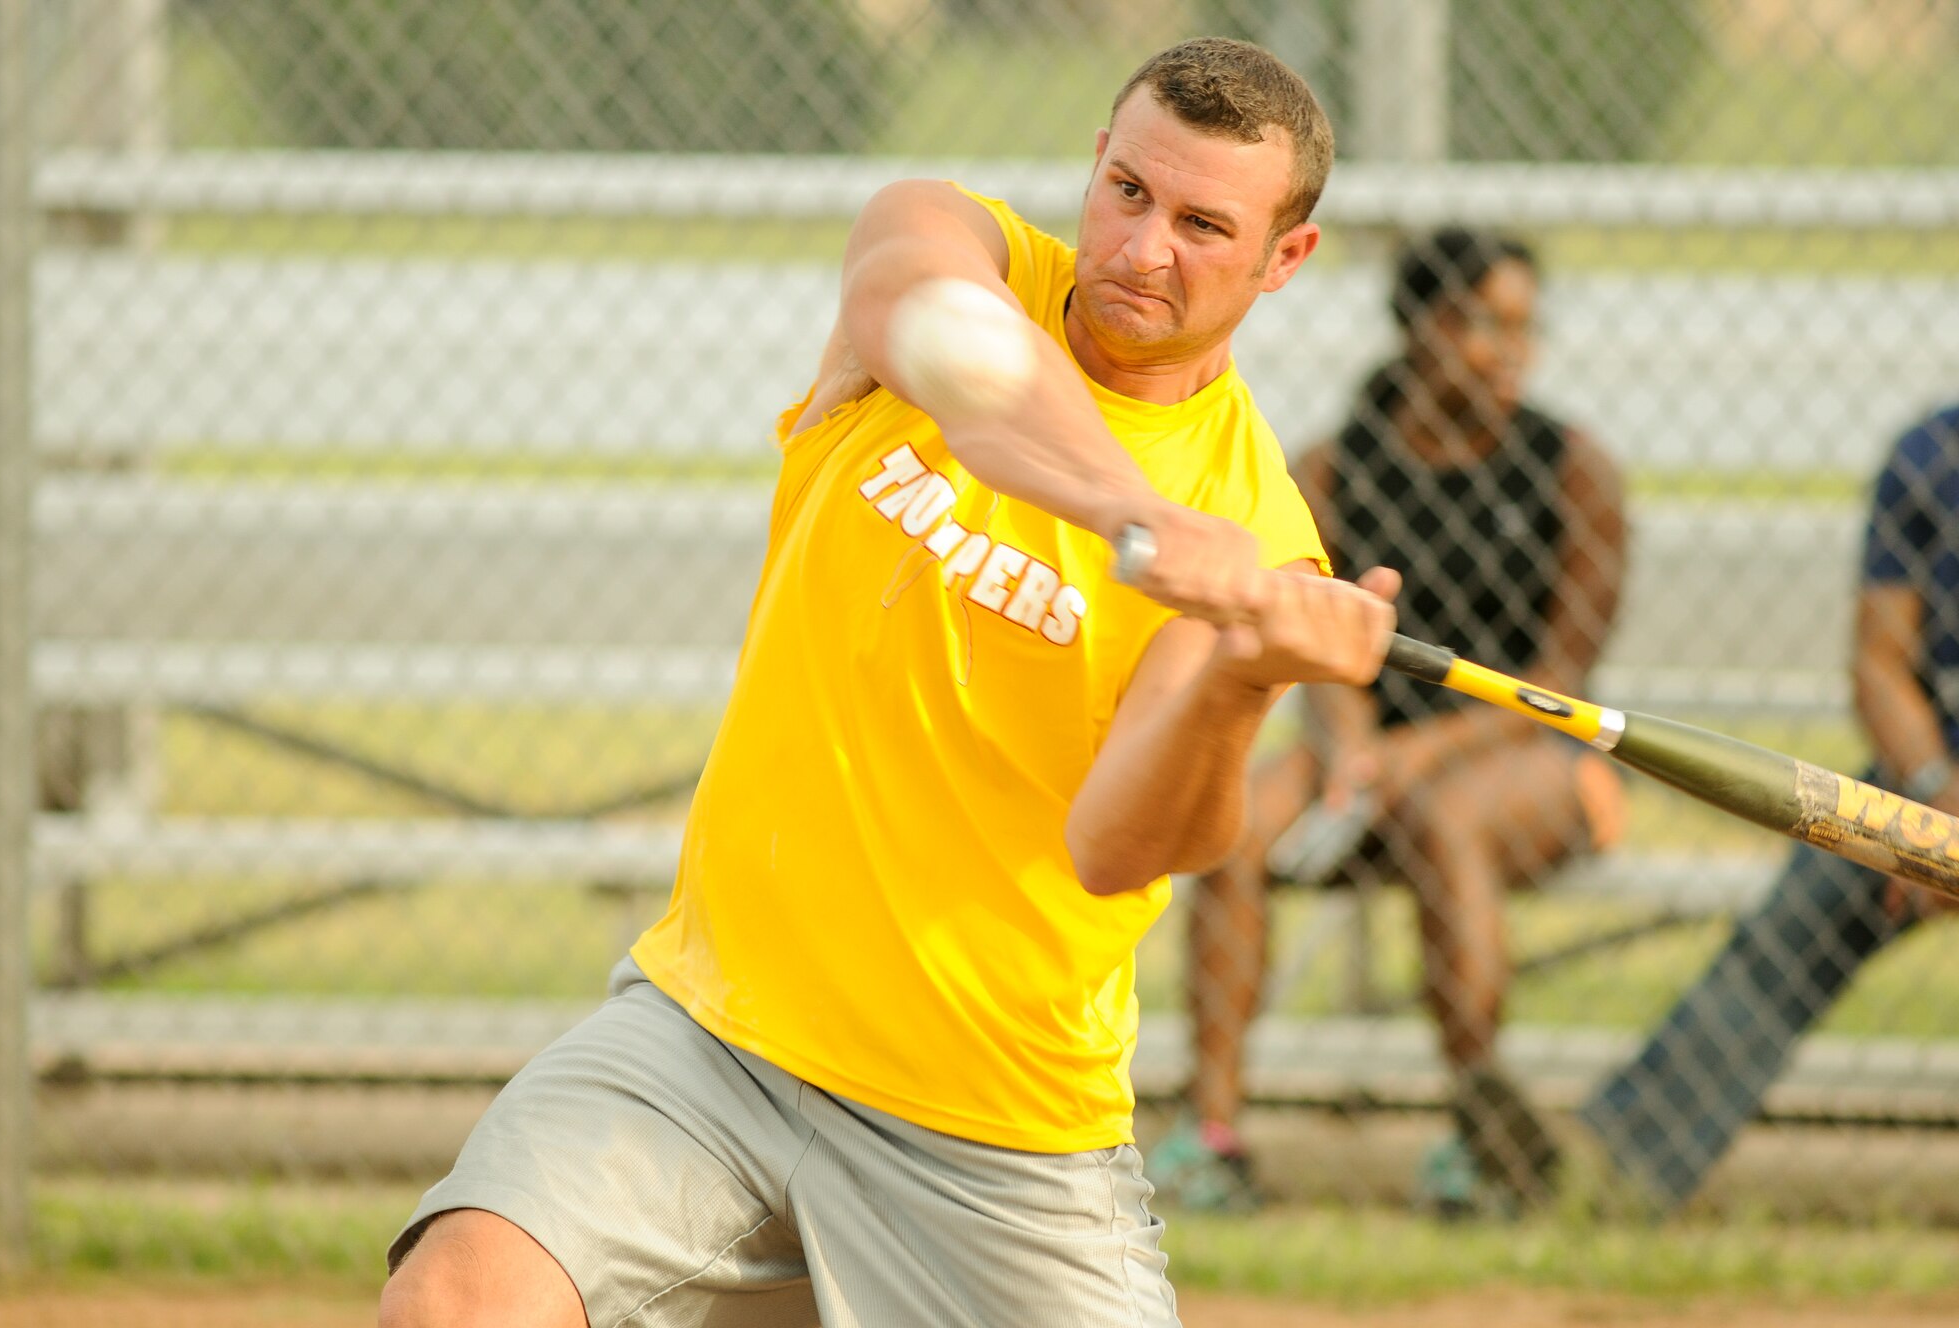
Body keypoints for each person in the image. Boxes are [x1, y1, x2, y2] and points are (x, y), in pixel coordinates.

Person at [379, 37, 1397, 1328]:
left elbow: (1123, 843)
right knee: (457, 1300)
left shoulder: (1252, 531)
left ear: (1284, 260)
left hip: (993, 1127)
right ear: (1095, 163)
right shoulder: (943, 243)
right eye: (1130, 192)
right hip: (714, 1036)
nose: (1145, 249)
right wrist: (1140, 524)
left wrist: (1246, 679)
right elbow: (969, 372)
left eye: (1204, 224)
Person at [1150, 227, 1629, 1214]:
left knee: (1443, 820)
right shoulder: (1333, 463)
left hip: (1528, 752)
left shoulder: (1571, 468)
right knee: (1231, 824)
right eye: (1478, 325)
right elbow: (1307, 615)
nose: (1507, 349)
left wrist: (1406, 756)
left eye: (1520, 328)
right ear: (1418, 326)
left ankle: (1477, 1135)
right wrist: (1350, 738)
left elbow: (1561, 671)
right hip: (1360, 748)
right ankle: (1212, 1135)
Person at [1579, 401, 1959, 1213]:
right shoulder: (1932, 455)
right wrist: (1935, 813)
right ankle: (1613, 1177)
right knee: (1793, 930)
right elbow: (1880, 666)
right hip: (1931, 778)